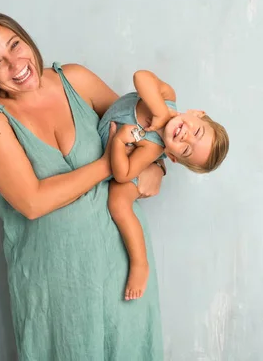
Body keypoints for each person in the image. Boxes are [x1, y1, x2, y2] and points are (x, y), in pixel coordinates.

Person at [0, 11, 165, 360]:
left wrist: (158, 166)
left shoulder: (75, 79)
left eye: (15, 44)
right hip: (57, 282)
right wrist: (109, 165)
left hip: (123, 267)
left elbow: (140, 122)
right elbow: (32, 201)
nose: (17, 63)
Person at [98, 70, 230, 301]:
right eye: (197, 130)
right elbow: (141, 77)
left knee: (118, 202)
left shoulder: (152, 148)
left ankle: (140, 263)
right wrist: (159, 112)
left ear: (174, 157)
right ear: (197, 113)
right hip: (106, 124)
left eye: (187, 149)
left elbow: (123, 174)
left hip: (117, 152)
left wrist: (118, 142)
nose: (185, 136)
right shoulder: (167, 96)